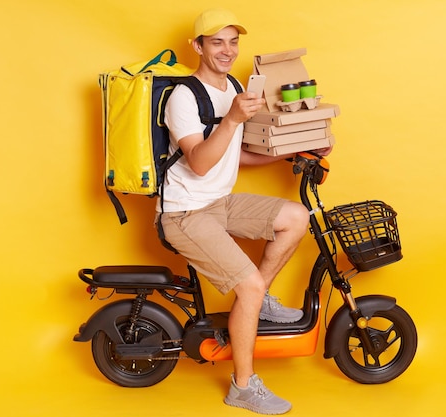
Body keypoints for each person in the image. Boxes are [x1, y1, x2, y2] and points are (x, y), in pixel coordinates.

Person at [158, 8, 331, 415]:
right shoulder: (183, 96)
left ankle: (258, 300)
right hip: (184, 213)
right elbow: (200, 162)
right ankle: (242, 386)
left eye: (233, 42)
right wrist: (233, 117)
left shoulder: (234, 85)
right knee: (248, 287)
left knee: (296, 217)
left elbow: (233, 157)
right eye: (216, 42)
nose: (227, 51)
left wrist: (292, 153)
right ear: (197, 46)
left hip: (219, 202)